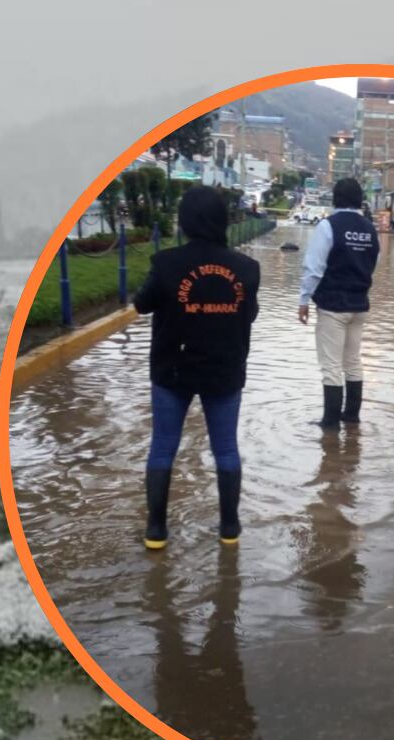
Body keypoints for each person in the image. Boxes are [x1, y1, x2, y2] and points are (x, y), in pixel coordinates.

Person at [132, 184, 259, 549]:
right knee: (226, 449)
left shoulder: (166, 263)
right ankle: (229, 530)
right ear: (222, 220)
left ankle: (156, 532)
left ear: (185, 221)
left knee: (163, 447)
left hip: (173, 370)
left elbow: (141, 305)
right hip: (224, 370)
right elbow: (248, 315)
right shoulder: (247, 269)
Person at [297, 177, 379, 430]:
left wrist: (303, 299)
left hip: (333, 307)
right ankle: (351, 417)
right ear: (359, 199)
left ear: (335, 199)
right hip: (359, 306)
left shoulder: (328, 226)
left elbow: (314, 268)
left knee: (331, 365)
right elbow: (371, 264)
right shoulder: (369, 229)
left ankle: (330, 424)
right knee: (353, 361)